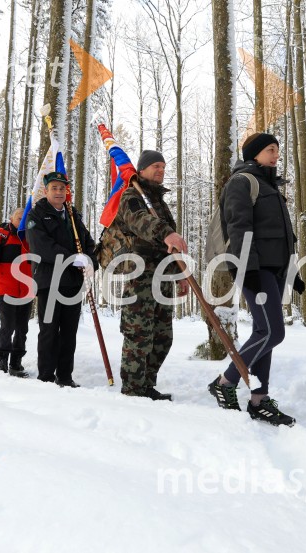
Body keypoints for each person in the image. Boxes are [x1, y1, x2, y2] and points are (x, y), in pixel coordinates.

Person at [207, 132, 299, 427]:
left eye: (277, 149)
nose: (276, 155)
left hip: (274, 267)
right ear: (254, 154)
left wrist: (293, 272)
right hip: (254, 268)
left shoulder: (270, 185)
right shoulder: (242, 182)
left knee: (264, 332)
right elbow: (239, 228)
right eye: (270, 150)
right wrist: (248, 270)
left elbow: (284, 234)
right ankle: (225, 381)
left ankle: (259, 400)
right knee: (273, 333)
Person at [109, 150, 190, 400]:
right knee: (139, 335)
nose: (160, 170)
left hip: (163, 278)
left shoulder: (158, 201)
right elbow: (140, 221)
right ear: (141, 170)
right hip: (140, 277)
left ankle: (147, 385)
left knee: (162, 337)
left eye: (163, 167)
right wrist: (165, 232)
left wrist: (181, 274)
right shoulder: (132, 196)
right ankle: (133, 389)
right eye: (155, 166)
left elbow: (171, 247)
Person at [26, 172, 96, 387]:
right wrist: (72, 258)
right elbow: (41, 246)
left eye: (62, 188)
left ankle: (65, 376)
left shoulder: (73, 216)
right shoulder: (36, 215)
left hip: (73, 283)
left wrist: (91, 261)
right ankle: (46, 376)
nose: (58, 192)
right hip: (49, 281)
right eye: (54, 188)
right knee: (49, 330)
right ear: (46, 191)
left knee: (69, 332)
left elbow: (88, 243)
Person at [0, 208, 33, 377]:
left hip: (27, 289)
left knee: (22, 328)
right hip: (6, 287)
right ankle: (2, 360)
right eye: (19, 217)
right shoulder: (2, 234)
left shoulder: (31, 236)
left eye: (24, 218)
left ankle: (16, 362)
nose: (22, 220)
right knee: (8, 325)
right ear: (12, 218)